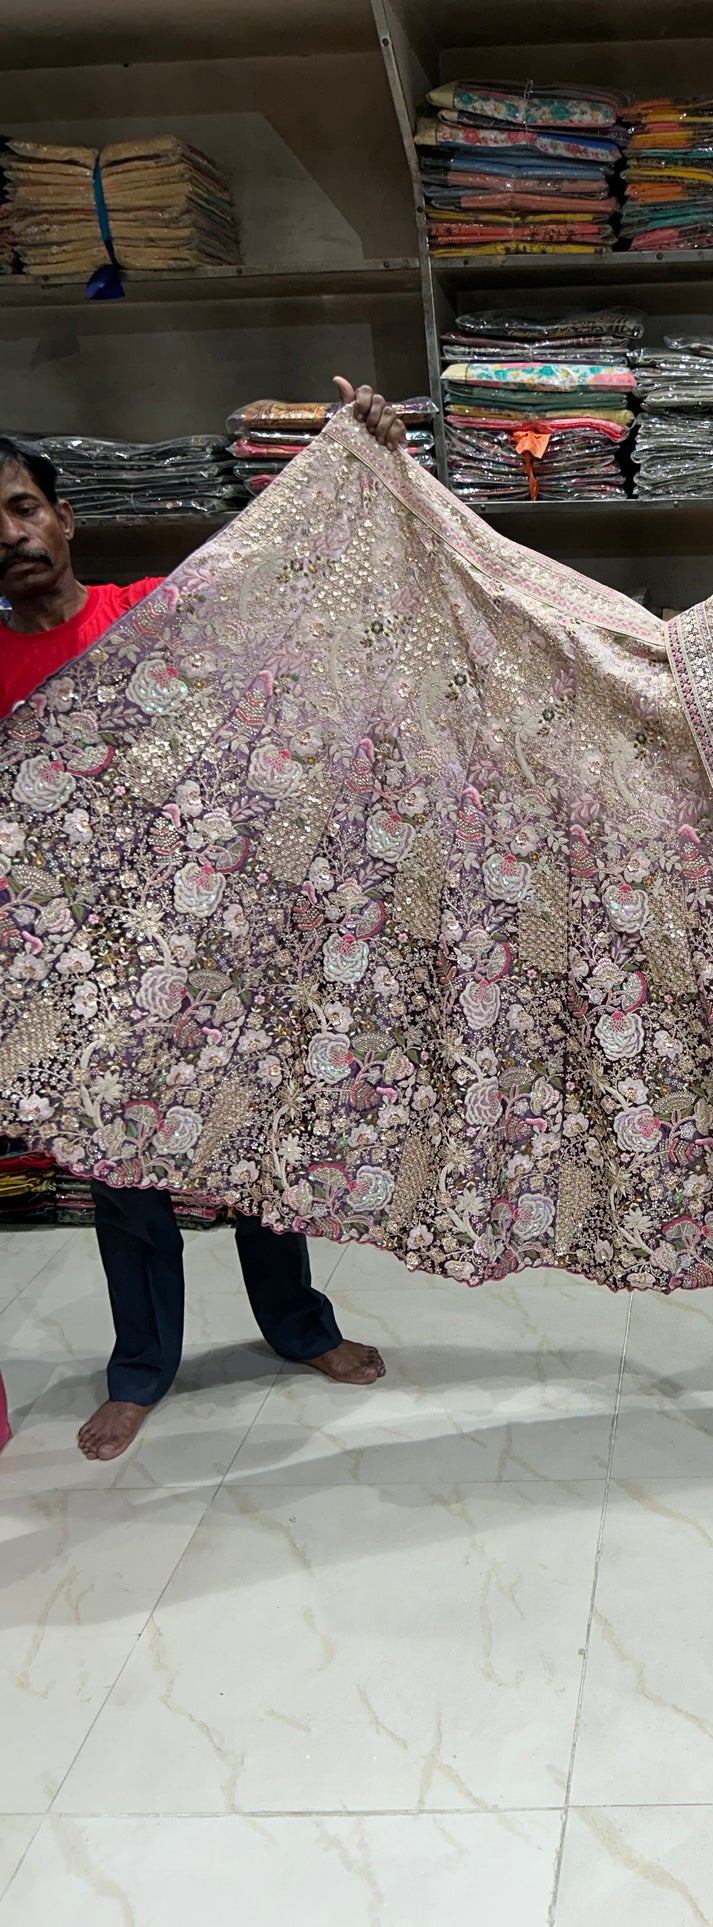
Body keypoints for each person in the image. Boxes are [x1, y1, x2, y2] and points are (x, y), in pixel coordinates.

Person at [0, 378, 403, 1461]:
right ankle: (142, 1368)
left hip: (218, 945)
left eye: (19, 507)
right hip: (85, 971)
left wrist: (359, 463)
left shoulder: (145, 620)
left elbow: (286, 588)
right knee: (122, 1177)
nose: (10, 535)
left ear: (62, 515)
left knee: (263, 1148)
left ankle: (298, 1328)